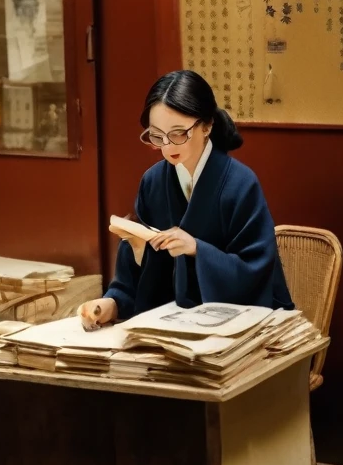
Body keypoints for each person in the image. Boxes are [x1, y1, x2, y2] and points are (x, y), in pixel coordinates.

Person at [80, 69, 293, 329]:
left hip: (244, 323)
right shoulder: (153, 182)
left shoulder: (240, 183)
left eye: (178, 133)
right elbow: (137, 279)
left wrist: (196, 249)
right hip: (174, 322)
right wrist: (113, 302)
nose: (167, 147)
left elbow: (255, 271)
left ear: (207, 125)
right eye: (157, 135)